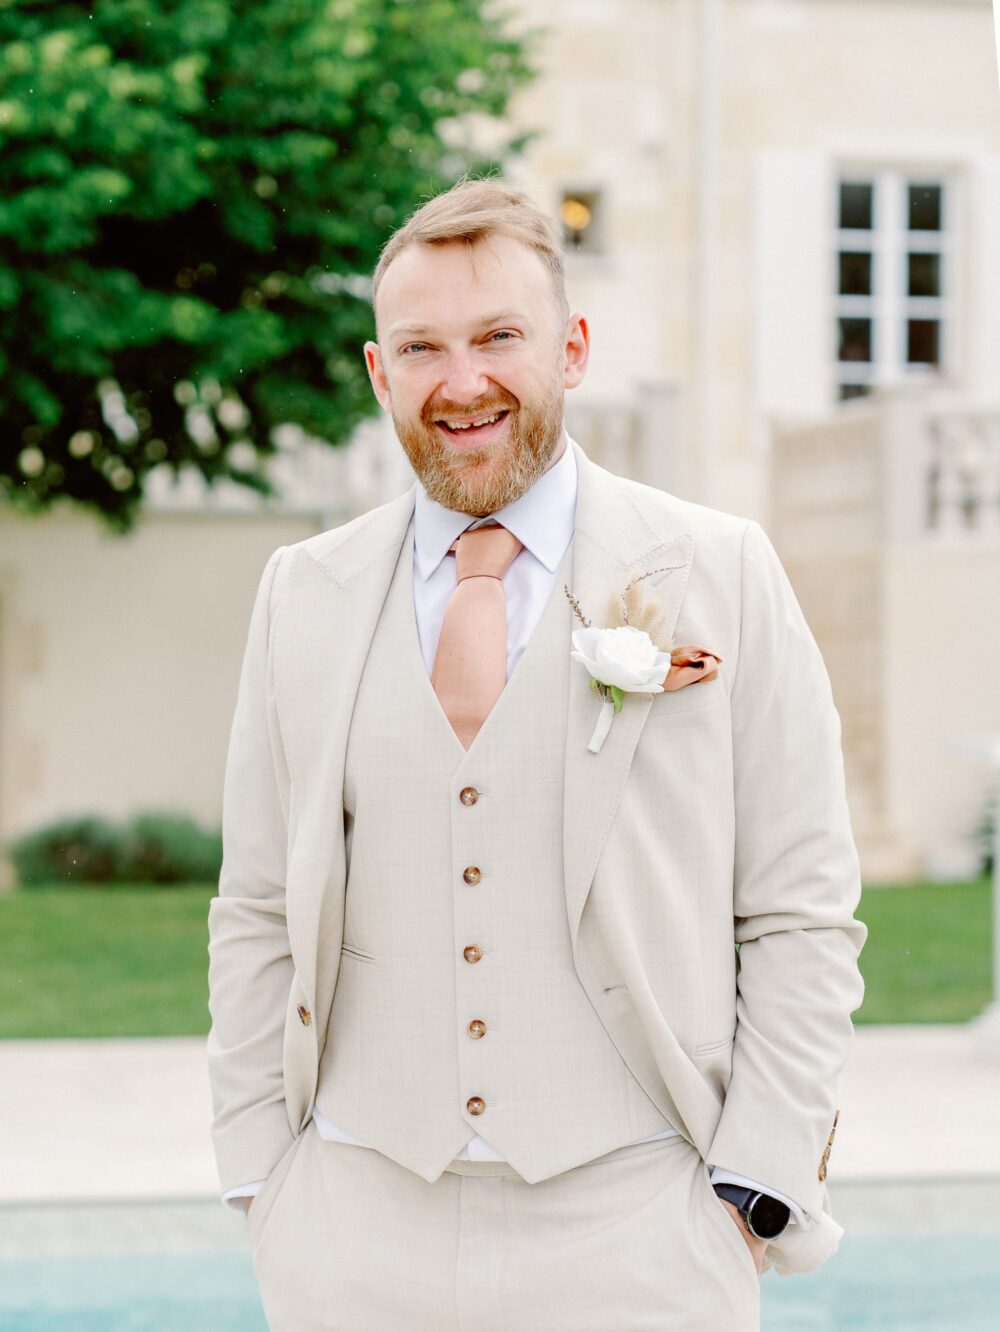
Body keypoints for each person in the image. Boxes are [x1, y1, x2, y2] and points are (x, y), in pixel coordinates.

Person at [207, 178, 866, 1331]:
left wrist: (754, 1185)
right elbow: (257, 905)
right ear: (378, 373)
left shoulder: (724, 570)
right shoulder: (299, 595)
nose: (461, 383)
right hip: (354, 1237)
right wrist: (265, 1177)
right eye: (421, 348)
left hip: (641, 1229)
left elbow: (800, 909)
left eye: (498, 337)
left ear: (570, 347)